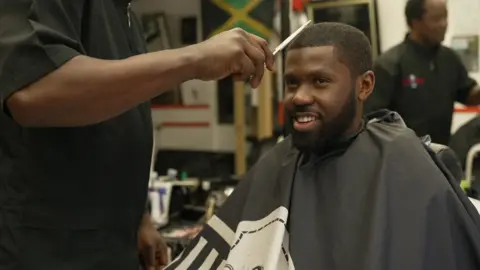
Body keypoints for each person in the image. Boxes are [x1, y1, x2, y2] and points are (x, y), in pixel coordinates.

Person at [164, 22, 480, 270]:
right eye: (292, 83)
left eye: (320, 81)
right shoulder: (279, 162)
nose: (300, 96)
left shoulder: (404, 162)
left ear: (365, 85)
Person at [0, 1, 274, 270]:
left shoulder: (123, 15)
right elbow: (33, 87)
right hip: (44, 250)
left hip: (112, 247)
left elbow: (109, 121)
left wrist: (138, 219)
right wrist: (194, 59)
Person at [365, 0, 480, 145]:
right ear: (415, 22)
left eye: (445, 17)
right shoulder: (390, 64)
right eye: (436, 19)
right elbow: (372, 121)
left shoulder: (449, 58)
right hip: (403, 156)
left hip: (440, 155)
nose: (444, 24)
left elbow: (469, 95)